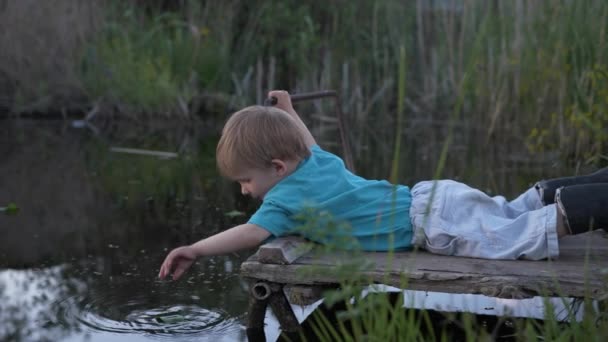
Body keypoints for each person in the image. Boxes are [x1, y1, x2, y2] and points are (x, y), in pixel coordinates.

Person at [158, 90, 608, 281]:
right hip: (432, 195)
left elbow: (250, 234)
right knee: (512, 210)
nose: (244, 191)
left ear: (277, 168)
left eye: (245, 181)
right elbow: (305, 140)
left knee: (523, 236)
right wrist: (290, 109)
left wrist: (195, 248)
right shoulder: (317, 163)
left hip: (431, 223)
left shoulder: (286, 201)